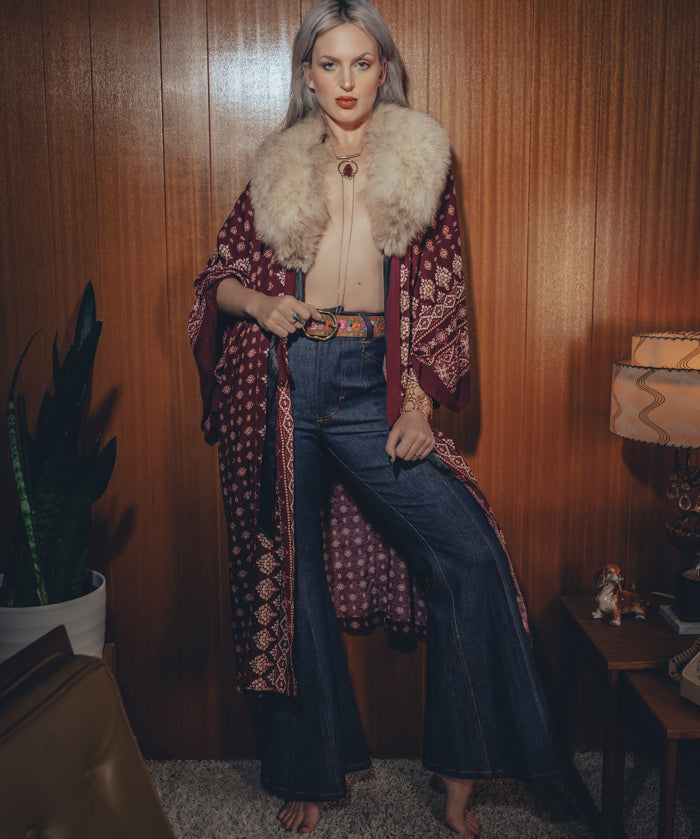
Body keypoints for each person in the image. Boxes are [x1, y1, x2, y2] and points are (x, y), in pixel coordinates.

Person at [188, 1, 560, 835]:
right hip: (286, 375)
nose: (347, 80)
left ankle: (462, 775)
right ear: (306, 74)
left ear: (383, 68)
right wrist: (264, 303)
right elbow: (216, 279)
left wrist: (421, 403)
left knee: (468, 553)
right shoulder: (277, 162)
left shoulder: (421, 156)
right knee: (290, 574)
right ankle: (306, 769)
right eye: (330, 64)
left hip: (373, 383)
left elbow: (442, 290)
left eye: (363, 63)